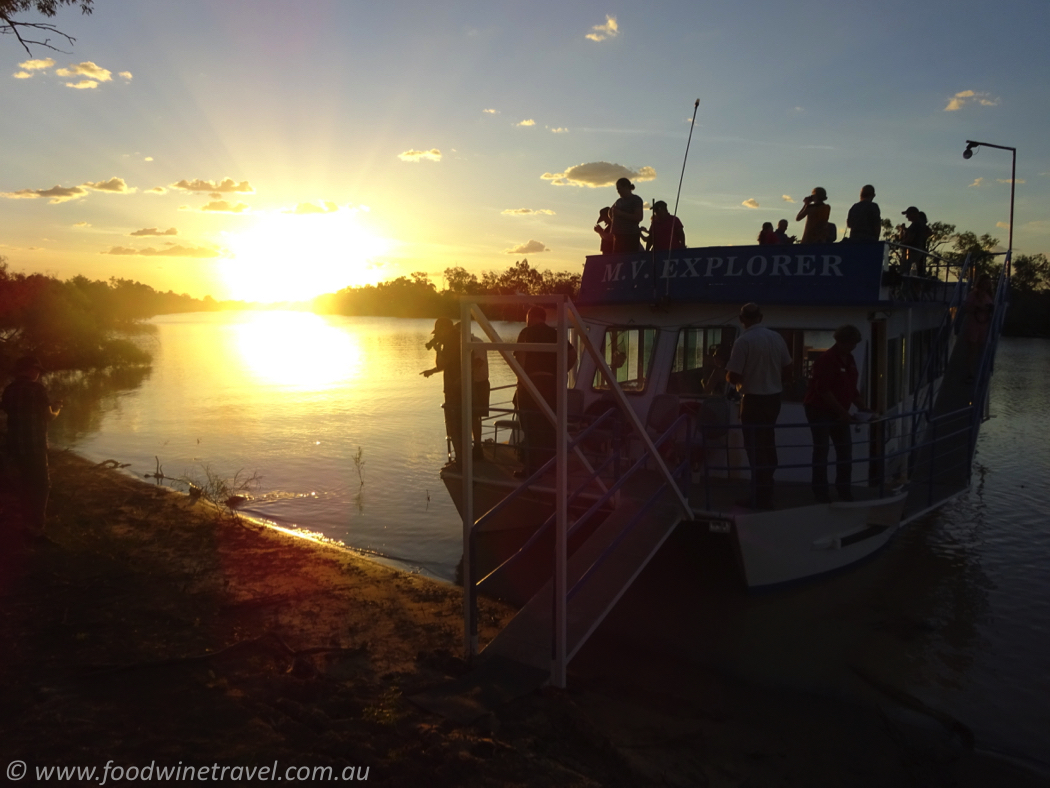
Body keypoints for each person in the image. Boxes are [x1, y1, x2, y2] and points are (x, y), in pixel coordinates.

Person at [725, 304, 792, 509]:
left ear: (741, 319)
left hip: (753, 401)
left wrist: (730, 377)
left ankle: (759, 498)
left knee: (754, 450)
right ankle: (766, 493)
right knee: (767, 445)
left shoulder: (743, 341)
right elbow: (788, 371)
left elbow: (733, 376)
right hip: (773, 400)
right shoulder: (776, 338)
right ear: (761, 317)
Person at [803, 325, 871, 503]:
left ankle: (844, 491)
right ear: (841, 342)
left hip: (839, 412)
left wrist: (863, 407)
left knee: (845, 452)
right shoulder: (827, 360)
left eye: (855, 344)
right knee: (822, 450)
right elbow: (823, 391)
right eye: (851, 343)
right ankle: (821, 493)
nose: (854, 347)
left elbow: (851, 388)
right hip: (819, 411)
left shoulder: (849, 360)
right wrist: (844, 413)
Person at [2, 355, 62, 534]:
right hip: (35, 444)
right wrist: (57, 408)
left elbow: (8, 409)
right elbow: (48, 416)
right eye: (37, 370)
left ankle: (26, 521)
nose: (38, 374)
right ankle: (37, 525)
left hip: (14, 445)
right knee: (42, 484)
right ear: (30, 370)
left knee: (24, 482)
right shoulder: (37, 388)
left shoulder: (9, 390)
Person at [514, 306, 576, 477]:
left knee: (530, 426)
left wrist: (522, 384)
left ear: (531, 317)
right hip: (551, 385)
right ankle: (552, 466)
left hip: (531, 385)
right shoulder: (554, 334)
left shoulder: (526, 333)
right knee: (550, 427)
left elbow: (520, 358)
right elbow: (573, 355)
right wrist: (560, 373)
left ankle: (531, 469)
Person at [421, 318, 464, 466]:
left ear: (445, 329)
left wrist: (438, 350)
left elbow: (442, 363)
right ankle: (461, 458)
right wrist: (432, 371)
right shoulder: (457, 338)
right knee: (458, 424)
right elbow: (448, 365)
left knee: (454, 425)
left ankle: (460, 460)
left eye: (439, 331)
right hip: (457, 386)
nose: (437, 335)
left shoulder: (451, 342)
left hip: (454, 388)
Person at [963, 274, 995, 382]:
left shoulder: (989, 296)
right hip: (974, 323)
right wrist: (978, 308)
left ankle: (980, 372)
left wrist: (989, 309)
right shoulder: (973, 295)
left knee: (982, 349)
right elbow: (966, 308)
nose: (986, 285)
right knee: (972, 349)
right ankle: (969, 373)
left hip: (984, 324)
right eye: (984, 283)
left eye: (988, 283)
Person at [610, 177, 643, 253]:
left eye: (620, 189)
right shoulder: (618, 201)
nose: (618, 191)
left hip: (630, 235)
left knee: (629, 258)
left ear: (626, 187)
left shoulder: (636, 199)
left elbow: (639, 217)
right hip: (618, 236)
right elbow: (611, 213)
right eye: (617, 189)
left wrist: (621, 214)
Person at [900, 206, 932, 277]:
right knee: (916, 271)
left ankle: (907, 284)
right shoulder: (920, 224)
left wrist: (900, 244)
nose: (906, 216)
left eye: (908, 214)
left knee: (907, 271)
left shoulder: (915, 224)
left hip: (913, 252)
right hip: (918, 250)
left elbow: (910, 239)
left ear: (914, 214)